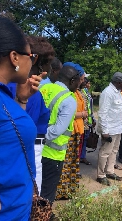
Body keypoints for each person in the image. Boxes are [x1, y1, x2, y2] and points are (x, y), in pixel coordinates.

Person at [0, 16, 45, 220]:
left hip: (19, 206)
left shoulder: (6, 94)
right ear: (14, 57)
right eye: (31, 56)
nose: (32, 62)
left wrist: (22, 99)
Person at [40, 65, 79, 203]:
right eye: (79, 81)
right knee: (46, 195)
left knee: (34, 190)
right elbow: (57, 130)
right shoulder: (69, 99)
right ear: (73, 80)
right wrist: (40, 139)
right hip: (52, 154)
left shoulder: (43, 88)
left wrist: (34, 140)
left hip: (35, 150)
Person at [25, 36, 55, 194]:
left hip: (32, 146)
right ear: (38, 62)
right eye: (49, 63)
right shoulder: (29, 90)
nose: (50, 69)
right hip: (31, 148)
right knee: (33, 193)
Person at [55, 62, 86, 200]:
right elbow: (69, 113)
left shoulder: (78, 92)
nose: (83, 81)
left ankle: (69, 189)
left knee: (73, 161)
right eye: (81, 78)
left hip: (77, 130)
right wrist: (82, 114)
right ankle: (61, 191)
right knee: (65, 163)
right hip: (69, 131)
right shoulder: (67, 93)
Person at [96, 72, 122, 186]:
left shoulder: (118, 92)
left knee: (114, 151)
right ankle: (101, 175)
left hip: (118, 128)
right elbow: (103, 113)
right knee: (105, 152)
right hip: (109, 129)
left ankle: (110, 171)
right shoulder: (107, 93)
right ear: (118, 82)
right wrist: (105, 132)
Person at [80, 77, 96, 165]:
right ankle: (80, 157)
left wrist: (93, 119)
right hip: (83, 120)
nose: (89, 85)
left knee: (85, 140)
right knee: (81, 140)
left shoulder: (86, 92)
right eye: (87, 83)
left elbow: (90, 107)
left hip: (88, 120)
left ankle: (82, 156)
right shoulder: (80, 92)